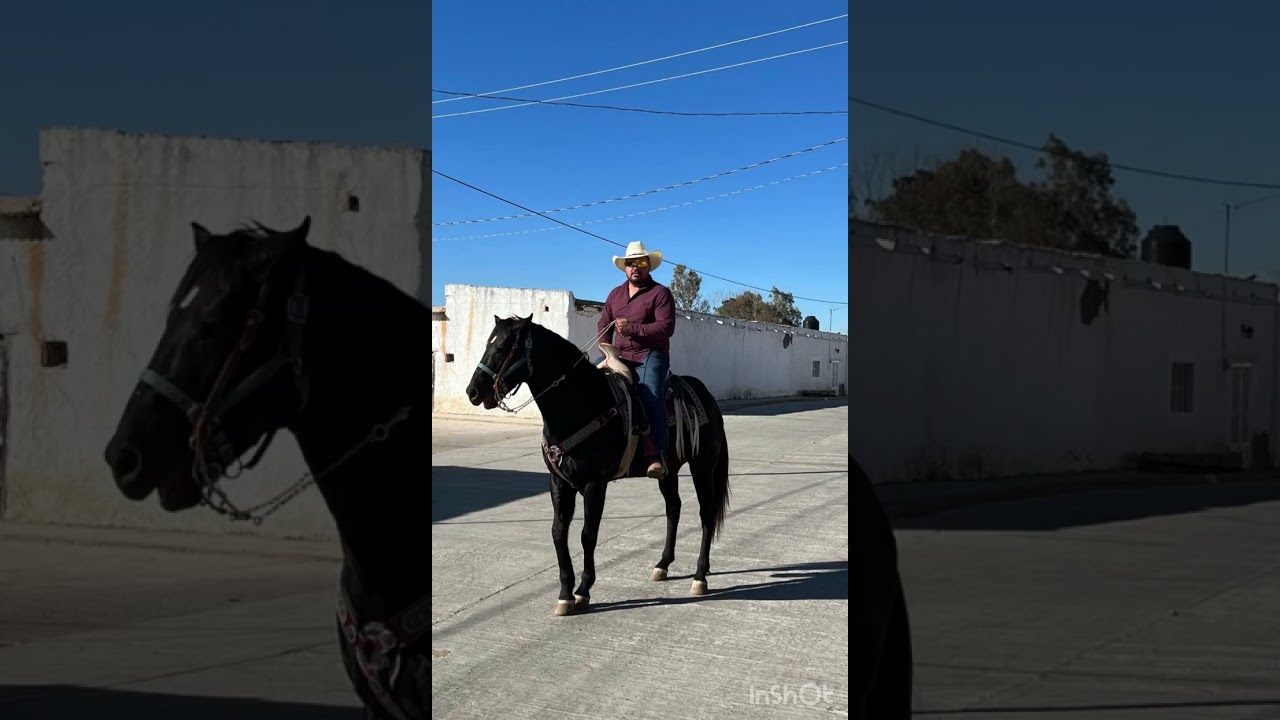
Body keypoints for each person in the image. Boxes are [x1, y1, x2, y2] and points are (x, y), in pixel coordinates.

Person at [598, 241, 676, 479]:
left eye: (641, 262)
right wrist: (606, 348)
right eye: (631, 263)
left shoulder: (660, 293)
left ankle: (656, 454)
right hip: (618, 355)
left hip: (650, 355)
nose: (635, 267)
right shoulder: (615, 294)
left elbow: (666, 327)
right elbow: (603, 324)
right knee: (588, 385)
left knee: (649, 395)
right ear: (625, 267)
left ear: (648, 266)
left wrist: (633, 329)